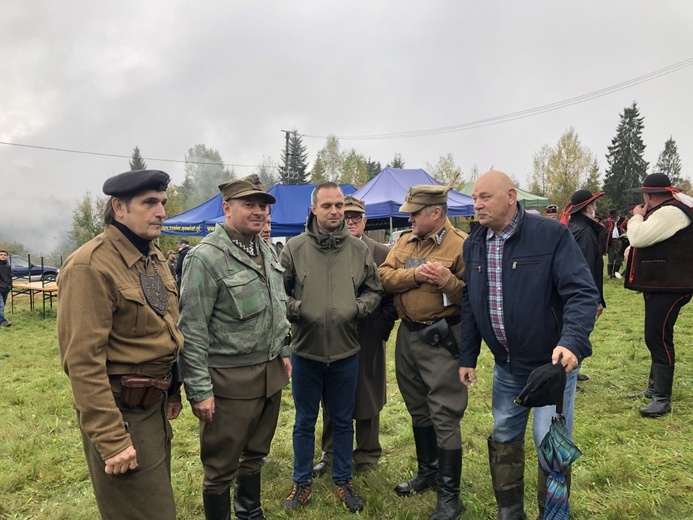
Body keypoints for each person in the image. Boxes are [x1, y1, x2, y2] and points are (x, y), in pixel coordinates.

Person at [458, 170, 598, 518]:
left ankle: (553, 515)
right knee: (504, 433)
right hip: (506, 367)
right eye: (475, 198)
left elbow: (582, 292)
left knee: (549, 443)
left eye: (485, 197)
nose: (477, 205)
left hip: (550, 368)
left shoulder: (551, 235)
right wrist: (468, 355)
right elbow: (471, 302)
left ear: (510, 196)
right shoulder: (474, 242)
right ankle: (510, 512)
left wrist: (572, 342)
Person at [57, 170, 184, 519]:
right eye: (149, 203)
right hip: (121, 413)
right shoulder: (90, 266)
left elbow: (163, 330)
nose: (161, 211)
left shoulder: (153, 256)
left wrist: (172, 389)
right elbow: (82, 363)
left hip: (152, 407)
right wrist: (112, 440)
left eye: (162, 203)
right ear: (119, 207)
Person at [178, 174, 291, 519]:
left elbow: (278, 306)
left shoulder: (267, 250)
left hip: (269, 374)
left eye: (263, 206)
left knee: (256, 453)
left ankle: (250, 512)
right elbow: (192, 329)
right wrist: (199, 390)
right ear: (227, 208)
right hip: (228, 380)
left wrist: (284, 353)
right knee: (220, 465)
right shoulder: (206, 258)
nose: (259, 212)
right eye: (249, 205)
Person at [280, 182, 383, 514]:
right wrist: (298, 309)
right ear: (314, 210)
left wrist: (357, 308)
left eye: (339, 205)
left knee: (342, 421)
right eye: (328, 206)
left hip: (345, 352)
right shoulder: (293, 248)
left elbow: (374, 290)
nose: (336, 211)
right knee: (304, 422)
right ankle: (302, 482)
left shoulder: (358, 249)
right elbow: (278, 294)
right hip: (306, 352)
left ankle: (343, 479)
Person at [379, 184, 468, 520]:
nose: (410, 218)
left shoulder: (461, 244)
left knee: (444, 413)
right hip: (408, 336)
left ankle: (450, 496)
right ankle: (428, 472)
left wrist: (447, 281)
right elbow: (384, 277)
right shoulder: (404, 241)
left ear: (436, 213)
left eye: (415, 213)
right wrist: (414, 274)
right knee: (418, 407)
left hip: (442, 338)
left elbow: (472, 296)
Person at [312, 195, 397, 477]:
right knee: (332, 393)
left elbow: (392, 297)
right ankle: (332, 450)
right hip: (334, 336)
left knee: (369, 392)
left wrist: (381, 328)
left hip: (370, 336)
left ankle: (367, 453)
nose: (350, 221)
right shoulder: (327, 249)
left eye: (355, 217)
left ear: (364, 220)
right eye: (345, 217)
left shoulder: (382, 253)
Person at [624, 173, 693, 417]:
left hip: (669, 286)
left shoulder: (670, 212)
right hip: (664, 285)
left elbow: (638, 237)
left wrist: (637, 217)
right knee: (655, 336)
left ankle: (662, 398)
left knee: (658, 338)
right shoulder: (670, 210)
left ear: (649, 195)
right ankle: (655, 389)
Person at [562, 190, 607, 317]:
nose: (596, 208)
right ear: (588, 208)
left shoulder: (571, 227)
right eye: (595, 205)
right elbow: (586, 267)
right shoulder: (585, 232)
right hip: (581, 297)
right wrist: (595, 299)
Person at [604, 209, 628, 278]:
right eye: (612, 217)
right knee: (611, 258)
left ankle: (615, 273)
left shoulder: (624, 220)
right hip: (611, 243)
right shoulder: (607, 222)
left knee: (619, 259)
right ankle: (609, 274)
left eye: (614, 217)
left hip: (621, 242)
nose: (613, 218)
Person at [0, 250, 11, 327]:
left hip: (6, 288)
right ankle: (4, 322)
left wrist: (10, 286)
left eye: (4, 255)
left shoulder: (7, 266)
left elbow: (9, 277)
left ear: (7, 256)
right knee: (1, 305)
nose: (2, 256)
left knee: (3, 304)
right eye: (1, 254)